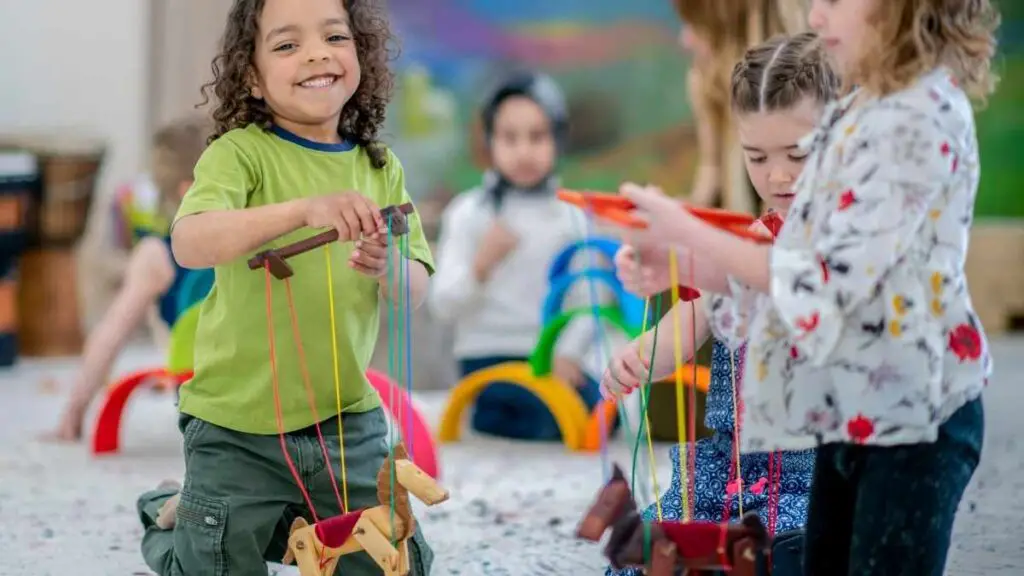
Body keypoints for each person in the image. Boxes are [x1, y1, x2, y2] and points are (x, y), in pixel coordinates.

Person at [616, 0, 1000, 573]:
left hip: (914, 418)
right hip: (848, 411)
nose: (815, 16)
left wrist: (694, 236)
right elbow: (793, 260)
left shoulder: (917, 121)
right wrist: (689, 266)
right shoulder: (866, 110)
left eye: (834, 0)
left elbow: (824, 278)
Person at [133, 0, 435, 574]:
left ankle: (261, 518)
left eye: (334, 37)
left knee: (395, 561)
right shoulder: (238, 154)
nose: (317, 53)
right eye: (287, 44)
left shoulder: (380, 166)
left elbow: (415, 285)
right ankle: (166, 514)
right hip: (236, 425)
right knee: (215, 564)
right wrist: (302, 210)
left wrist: (386, 266)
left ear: (360, 54)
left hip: (346, 418)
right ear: (252, 75)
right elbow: (190, 242)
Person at [602, 32, 838, 576]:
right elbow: (694, 315)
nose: (776, 175)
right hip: (727, 463)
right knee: (642, 557)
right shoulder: (749, 237)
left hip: (812, 468)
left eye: (796, 155)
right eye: (757, 156)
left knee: (783, 559)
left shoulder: (848, 243)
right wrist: (643, 354)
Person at [429, 71, 622, 441]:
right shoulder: (470, 212)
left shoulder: (572, 216)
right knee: (544, 421)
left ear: (557, 140)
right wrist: (480, 266)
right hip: (489, 358)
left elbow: (591, 299)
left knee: (604, 416)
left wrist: (566, 354)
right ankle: (488, 413)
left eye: (537, 136)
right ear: (490, 142)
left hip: (550, 358)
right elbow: (443, 305)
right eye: (509, 138)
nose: (524, 151)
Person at [42, 118, 211, 442]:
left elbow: (110, 334)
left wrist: (73, 413)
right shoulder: (248, 235)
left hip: (202, 385)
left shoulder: (156, 253)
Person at [671, 0, 806, 213]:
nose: (685, 40)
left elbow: (774, 234)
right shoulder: (715, 93)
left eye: (698, 24)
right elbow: (709, 184)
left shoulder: (797, 112)